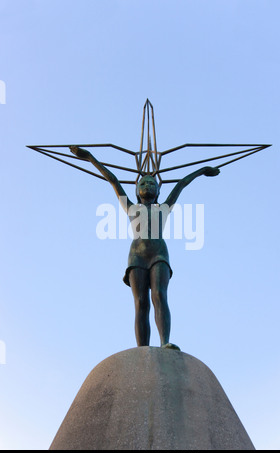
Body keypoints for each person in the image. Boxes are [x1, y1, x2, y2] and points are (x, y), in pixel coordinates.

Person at [70, 146, 220, 350]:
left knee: (159, 295)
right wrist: (89, 157)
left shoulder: (164, 207)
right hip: (137, 256)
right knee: (141, 303)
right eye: (144, 183)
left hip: (159, 253)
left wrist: (203, 170)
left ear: (158, 191)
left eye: (152, 183)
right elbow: (112, 179)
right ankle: (142, 349)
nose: (148, 185)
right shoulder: (131, 207)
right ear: (137, 190)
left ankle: (164, 342)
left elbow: (182, 184)